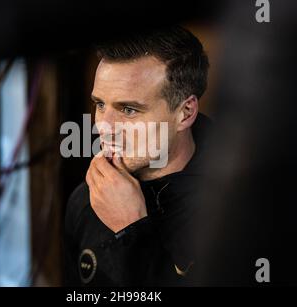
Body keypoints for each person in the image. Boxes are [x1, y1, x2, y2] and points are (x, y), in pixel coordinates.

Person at [64, 25, 210, 286]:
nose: (103, 128)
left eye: (129, 110)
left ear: (185, 113)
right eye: (100, 104)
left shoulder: (234, 208)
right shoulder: (86, 200)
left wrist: (132, 232)